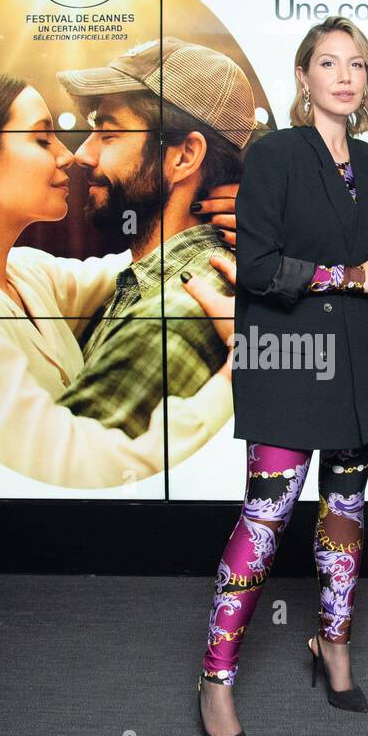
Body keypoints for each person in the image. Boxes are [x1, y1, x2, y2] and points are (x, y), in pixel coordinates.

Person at [194, 17, 368, 736]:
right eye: (329, 62)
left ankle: (333, 643)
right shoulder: (275, 154)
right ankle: (216, 677)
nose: (344, 75)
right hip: (290, 357)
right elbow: (258, 267)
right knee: (266, 518)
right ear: (303, 77)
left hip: (359, 364)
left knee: (345, 514)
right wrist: (352, 277)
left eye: (357, 64)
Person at [0, 67, 238, 489]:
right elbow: (71, 470)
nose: (69, 155)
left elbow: (148, 265)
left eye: (108, 134)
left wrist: (247, 217)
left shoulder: (23, 274)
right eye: (42, 139)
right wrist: (234, 381)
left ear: (185, 156)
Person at [53, 38, 248, 439]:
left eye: (108, 134)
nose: (83, 156)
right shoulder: (140, 285)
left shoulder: (171, 318)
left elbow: (55, 477)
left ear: (183, 156)